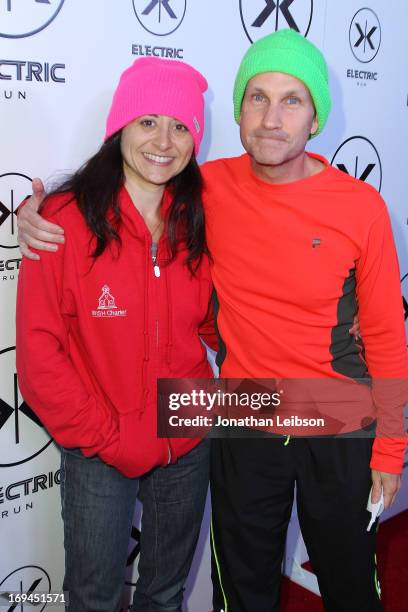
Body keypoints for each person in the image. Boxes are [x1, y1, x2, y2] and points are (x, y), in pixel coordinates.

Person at [18, 30, 407, 612]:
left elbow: (384, 334)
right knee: (241, 589)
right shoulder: (208, 191)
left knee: (349, 583)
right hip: (244, 412)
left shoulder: (356, 206)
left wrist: (390, 450)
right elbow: (114, 202)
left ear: (316, 118)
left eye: (292, 101)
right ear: (238, 111)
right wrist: (33, 214)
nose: (272, 119)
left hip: (336, 412)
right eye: (257, 97)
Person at [16, 57, 218, 612]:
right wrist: (109, 436)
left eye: (180, 126)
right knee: (92, 596)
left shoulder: (202, 217)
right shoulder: (61, 218)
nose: (164, 141)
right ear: (120, 127)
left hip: (187, 434)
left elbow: (215, 322)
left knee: (165, 592)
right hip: (98, 445)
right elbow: (39, 355)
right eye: (148, 121)